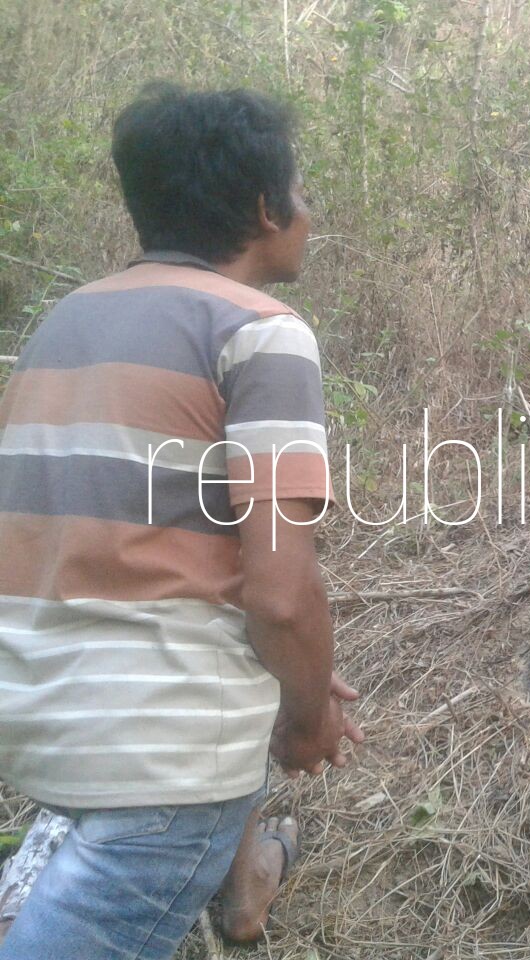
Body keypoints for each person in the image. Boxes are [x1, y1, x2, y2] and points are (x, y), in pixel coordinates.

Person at [0, 83, 362, 959]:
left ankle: (243, 893)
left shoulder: (68, 321)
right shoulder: (263, 333)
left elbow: (130, 557)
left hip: (37, 722)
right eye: (302, 194)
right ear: (267, 208)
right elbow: (280, 597)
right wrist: (309, 712)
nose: (310, 216)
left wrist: (297, 674)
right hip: (161, 771)